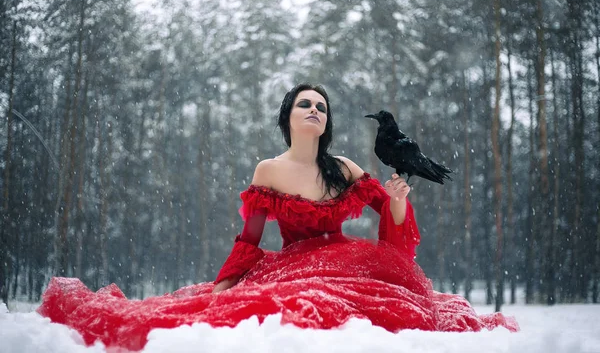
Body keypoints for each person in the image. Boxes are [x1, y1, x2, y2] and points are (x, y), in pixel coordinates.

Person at [37, 83, 518, 352]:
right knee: (279, 306)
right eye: (305, 103)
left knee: (387, 311)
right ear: (289, 116)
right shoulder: (269, 170)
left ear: (326, 122)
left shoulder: (346, 167)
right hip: (291, 264)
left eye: (322, 106)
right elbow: (248, 239)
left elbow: (393, 228)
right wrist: (222, 288)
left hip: (347, 261)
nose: (314, 110)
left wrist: (396, 200)